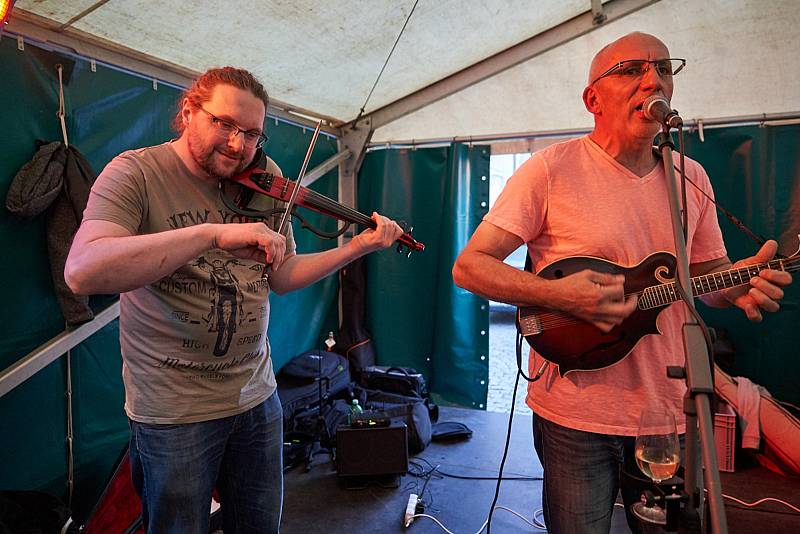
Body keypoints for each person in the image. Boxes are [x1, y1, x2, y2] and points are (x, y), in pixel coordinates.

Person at [452, 32, 792, 533]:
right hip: (576, 412)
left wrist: (736, 286)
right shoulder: (549, 170)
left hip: (667, 412)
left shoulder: (689, 175)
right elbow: (470, 266)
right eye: (631, 70)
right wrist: (556, 294)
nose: (653, 79)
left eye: (663, 69)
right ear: (593, 99)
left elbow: (703, 276)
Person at [64, 66, 404, 534]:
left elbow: (281, 277)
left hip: (256, 399)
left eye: (251, 134)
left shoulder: (266, 178)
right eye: (223, 124)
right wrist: (212, 235)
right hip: (173, 412)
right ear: (188, 111)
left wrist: (356, 247)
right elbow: (83, 271)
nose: (237, 145)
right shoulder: (135, 173)